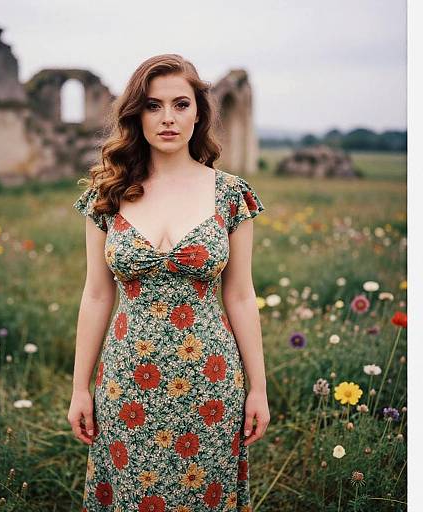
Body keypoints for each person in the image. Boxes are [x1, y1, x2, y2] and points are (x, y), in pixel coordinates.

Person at [68, 53, 269, 511]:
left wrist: (258, 388)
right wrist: (81, 388)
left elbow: (239, 294)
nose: (167, 118)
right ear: (136, 114)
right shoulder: (109, 195)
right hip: (125, 383)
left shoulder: (230, 194)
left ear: (199, 112)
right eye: (153, 106)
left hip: (210, 381)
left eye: (180, 104)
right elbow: (97, 293)